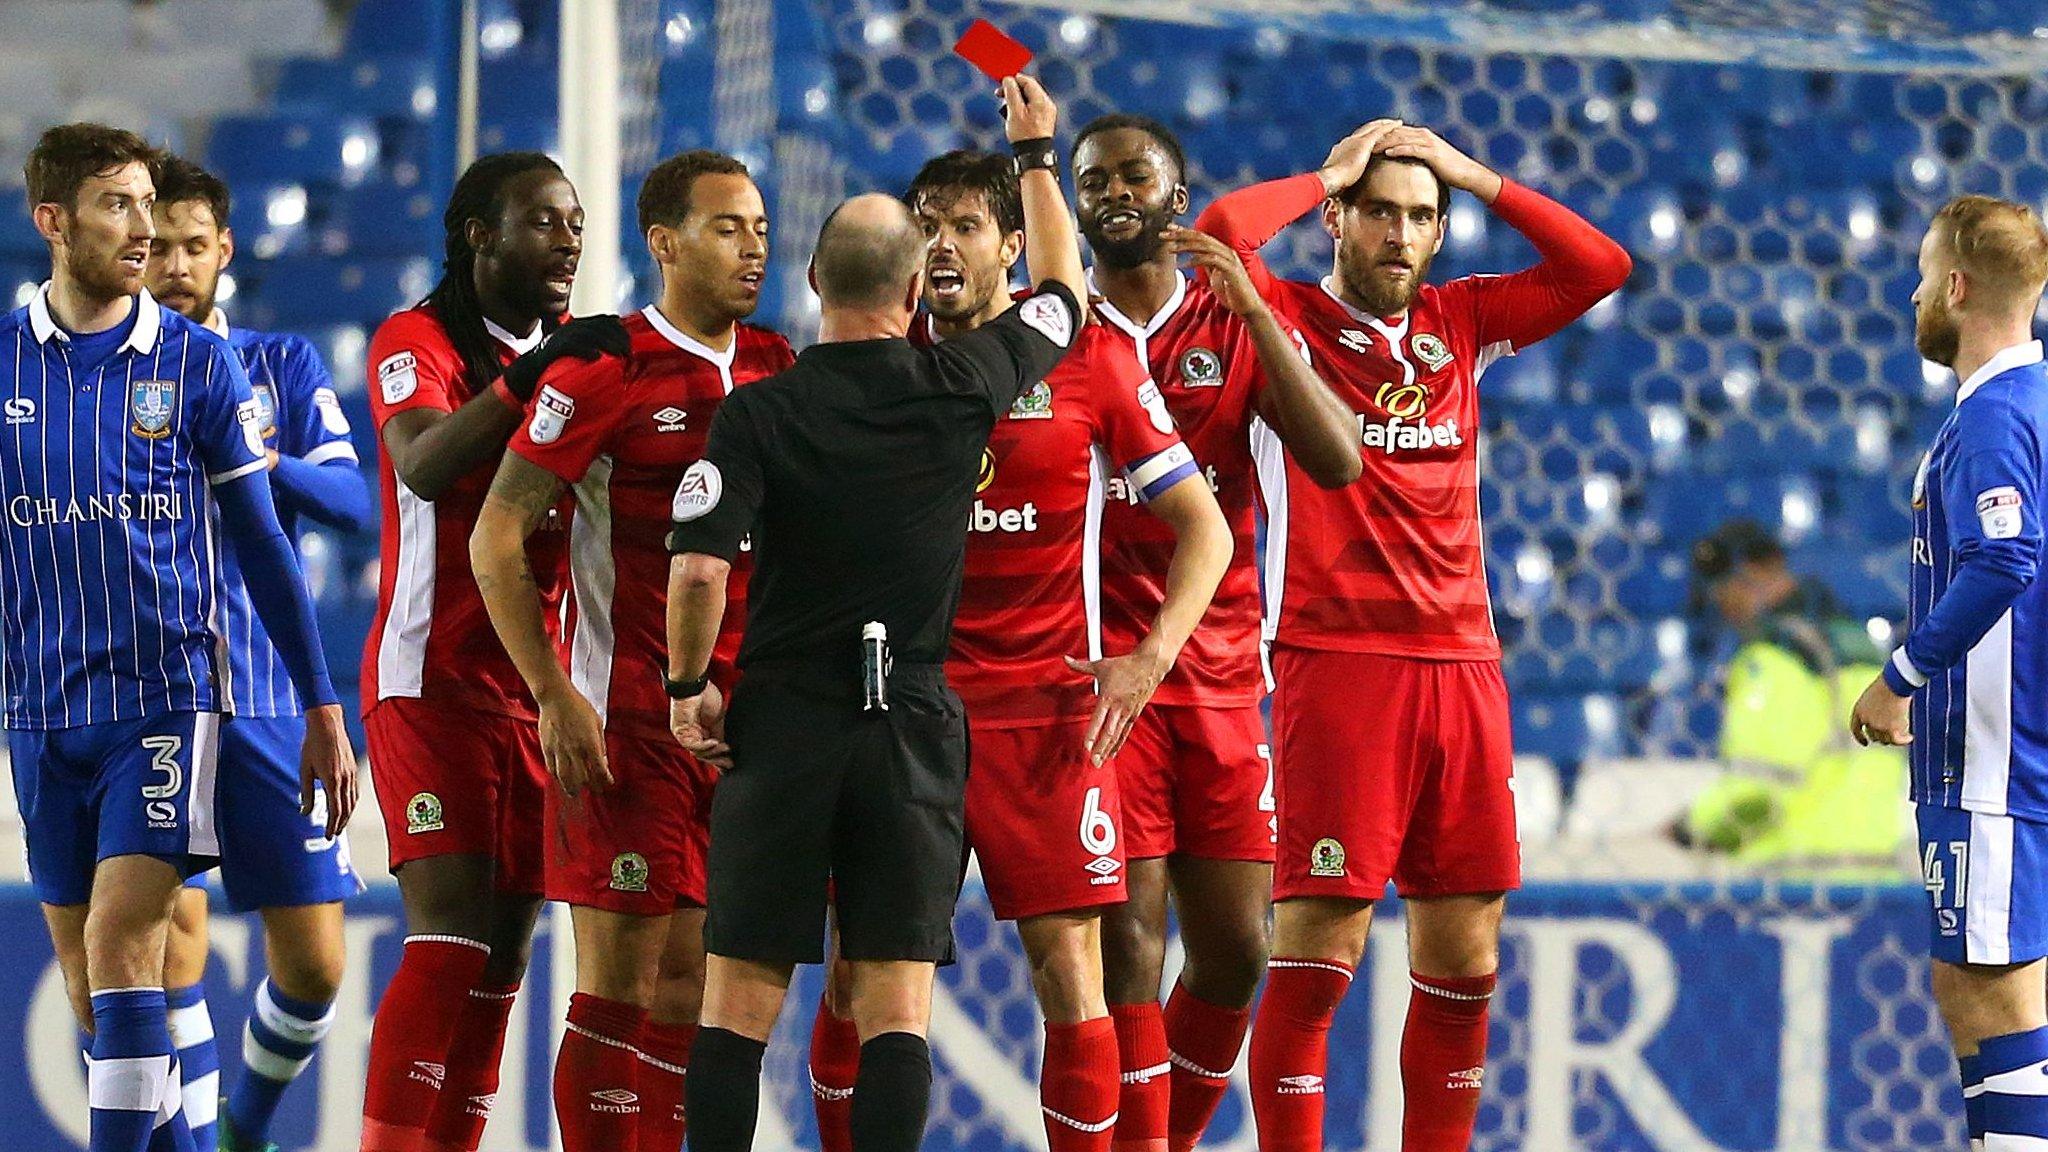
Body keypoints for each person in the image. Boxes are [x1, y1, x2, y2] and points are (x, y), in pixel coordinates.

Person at [665, 74, 1087, 1152]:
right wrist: (1036, 156)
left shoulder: (756, 411)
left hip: (786, 719)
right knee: (897, 1002)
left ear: (809, 280)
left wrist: (685, 689)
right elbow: (1061, 298)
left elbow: (701, 572)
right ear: (913, 290)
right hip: (907, 721)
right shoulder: (960, 386)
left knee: (739, 1002)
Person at [1196, 119, 1629, 1152]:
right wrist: (1322, 168)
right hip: (1335, 664)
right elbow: (1216, 229)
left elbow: (1599, 264)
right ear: (1340, 220)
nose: (1399, 233)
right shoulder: (1280, 319)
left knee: (1466, 953)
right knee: (1319, 949)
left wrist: (1475, 175)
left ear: (1440, 234)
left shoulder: (1462, 322)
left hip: (1465, 671)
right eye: (1379, 211)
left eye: (1420, 218)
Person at [805, 148, 1233, 1152]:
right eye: (927, 226)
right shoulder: (875, 358)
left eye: (964, 226)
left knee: (1069, 970)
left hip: (1044, 713)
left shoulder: (1085, 363)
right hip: (899, 711)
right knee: (859, 969)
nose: (941, 245)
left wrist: (1148, 656)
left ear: (1011, 246)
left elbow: (1202, 529)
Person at [3, 122, 354, 1152]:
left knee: (126, 944)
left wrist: (322, 705)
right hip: (41, 710)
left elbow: (264, 548)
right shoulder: (6, 367)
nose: (143, 230)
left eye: (152, 209)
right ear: (52, 222)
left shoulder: (201, 365)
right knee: (93, 986)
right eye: (119, 205)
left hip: (166, 700)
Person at [471, 149, 793, 1152]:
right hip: (624, 725)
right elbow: (496, 537)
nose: (753, 247)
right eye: (727, 227)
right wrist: (552, 695)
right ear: (663, 243)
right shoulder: (606, 365)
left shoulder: (781, 367)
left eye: (759, 228)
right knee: (618, 987)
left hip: (743, 735)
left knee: (693, 986)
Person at [1067, 111, 1362, 1152]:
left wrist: (1259, 317)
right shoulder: (1054, 334)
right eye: (1091, 178)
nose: (1112, 192)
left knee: (1237, 950)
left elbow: (1336, 462)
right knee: (1129, 946)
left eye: (1132, 176)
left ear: (1174, 202)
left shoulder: (1228, 320)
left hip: (1225, 675)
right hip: (1105, 681)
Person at [357, 152, 628, 1152]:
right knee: (447, 940)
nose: (567, 239)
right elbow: (423, 463)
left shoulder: (569, 356)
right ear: (479, 234)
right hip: (428, 679)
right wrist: (531, 379)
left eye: (575, 221)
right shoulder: (415, 337)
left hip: (533, 690)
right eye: (542, 220)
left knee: (502, 964)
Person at [143, 153, 372, 1152]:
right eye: (159, 248)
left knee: (317, 966)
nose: (177, 266)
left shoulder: (280, 367)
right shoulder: (110, 378)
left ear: (225, 250)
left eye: (196, 246)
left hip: (273, 697)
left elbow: (357, 503)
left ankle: (243, 1127)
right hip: (150, 693)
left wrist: (254, 460)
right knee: (170, 941)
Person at [1847, 194, 2048, 1151]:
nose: (1915, 291)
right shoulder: (2031, 410)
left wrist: (1900, 675)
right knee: (1971, 988)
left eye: (1926, 275)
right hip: (2004, 762)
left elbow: (2008, 558)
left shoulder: (1995, 421)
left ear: (1958, 289)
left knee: (1994, 999)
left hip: (1995, 769)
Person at [1677, 519, 1905, 863]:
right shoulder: (1868, 656)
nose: (1725, 601)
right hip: (1875, 873)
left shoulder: (1769, 660)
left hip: (1791, 879)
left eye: (1729, 584)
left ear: (1765, 568)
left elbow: (1755, 792)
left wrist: (1690, 826)